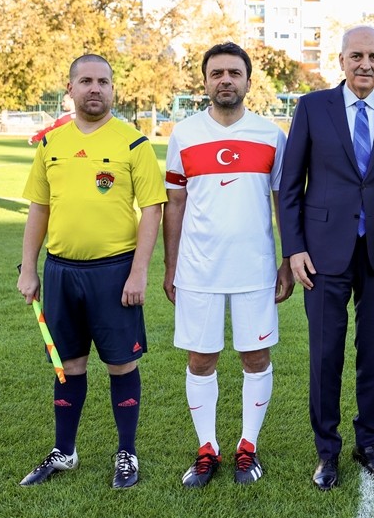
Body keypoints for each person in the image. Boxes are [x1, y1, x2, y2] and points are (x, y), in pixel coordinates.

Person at [278, 25, 374, 491]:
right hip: (322, 252)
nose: (366, 64)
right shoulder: (312, 107)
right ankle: (327, 452)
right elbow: (290, 185)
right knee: (326, 353)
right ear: (340, 60)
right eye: (357, 56)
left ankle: (370, 444)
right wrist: (295, 248)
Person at [16, 54, 165, 489]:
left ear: (113, 89)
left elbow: (152, 209)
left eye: (103, 81)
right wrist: (30, 268)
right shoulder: (50, 145)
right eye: (86, 81)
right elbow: (38, 209)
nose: (94, 88)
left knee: (122, 364)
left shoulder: (132, 143)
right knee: (69, 366)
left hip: (114, 272)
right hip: (62, 272)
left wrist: (139, 272)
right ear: (71, 89)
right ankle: (65, 451)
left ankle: (127, 454)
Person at [163, 42, 294, 488]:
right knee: (201, 359)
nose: (225, 80)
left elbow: (284, 202)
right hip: (198, 270)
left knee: (255, 356)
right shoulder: (183, 134)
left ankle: (247, 448)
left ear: (248, 82)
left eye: (233, 73)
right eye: (216, 73)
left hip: (255, 269)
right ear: (204, 81)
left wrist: (287, 261)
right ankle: (206, 449)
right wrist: (170, 266)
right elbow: (175, 204)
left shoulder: (272, 135)